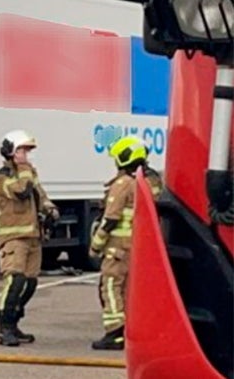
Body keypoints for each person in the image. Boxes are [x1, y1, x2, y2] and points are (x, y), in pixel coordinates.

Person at [89, 135, 165, 351]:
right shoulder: (150, 183)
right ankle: (130, 330)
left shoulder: (123, 184)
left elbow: (110, 219)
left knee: (111, 287)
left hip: (117, 247)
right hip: (137, 246)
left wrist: (96, 246)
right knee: (129, 289)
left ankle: (114, 333)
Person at [0, 130, 59, 347]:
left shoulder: (28, 173)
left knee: (30, 283)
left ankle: (14, 324)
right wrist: (24, 168)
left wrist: (50, 209)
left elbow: (39, 194)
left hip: (33, 237)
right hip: (14, 238)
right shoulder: (3, 177)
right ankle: (5, 328)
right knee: (15, 280)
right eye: (22, 150)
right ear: (11, 151)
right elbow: (22, 191)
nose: (26, 155)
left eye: (27, 151)